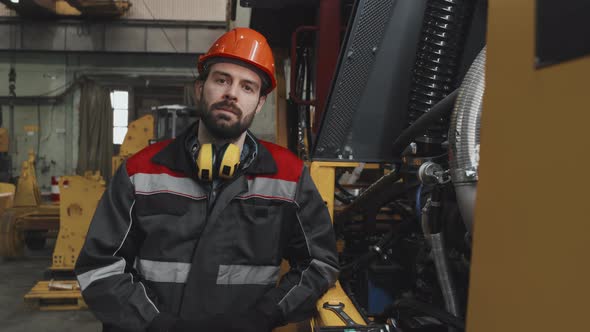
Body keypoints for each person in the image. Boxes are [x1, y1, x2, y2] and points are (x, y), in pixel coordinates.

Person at [74, 27, 339, 332]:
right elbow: (99, 267)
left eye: (248, 87)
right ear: (200, 89)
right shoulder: (142, 171)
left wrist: (265, 315)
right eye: (221, 80)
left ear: (260, 103)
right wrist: (156, 323)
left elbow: (320, 264)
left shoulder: (288, 176)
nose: (231, 93)